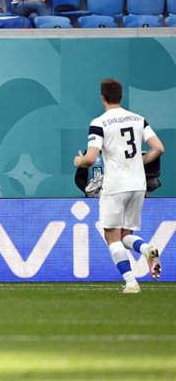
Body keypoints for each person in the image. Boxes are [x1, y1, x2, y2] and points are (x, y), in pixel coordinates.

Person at [73, 78, 164, 293]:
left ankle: (131, 282)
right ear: (121, 96)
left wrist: (79, 161)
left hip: (115, 186)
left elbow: (90, 157)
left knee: (111, 237)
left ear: (102, 97)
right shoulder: (139, 119)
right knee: (125, 236)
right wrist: (137, 162)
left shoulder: (99, 122)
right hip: (138, 186)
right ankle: (147, 248)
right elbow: (159, 148)